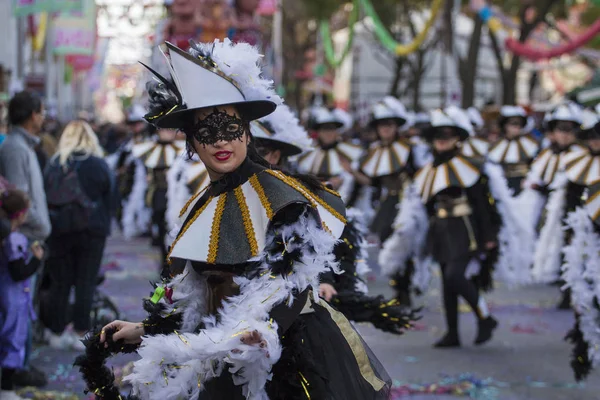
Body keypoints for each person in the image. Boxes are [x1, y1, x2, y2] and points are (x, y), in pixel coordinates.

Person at [77, 39, 391, 399]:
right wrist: (145, 329)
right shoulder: (200, 205)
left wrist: (263, 334)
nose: (219, 142)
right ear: (192, 144)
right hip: (214, 352)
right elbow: (194, 296)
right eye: (206, 133)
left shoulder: (283, 197)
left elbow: (291, 286)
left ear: (247, 131)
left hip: (283, 358)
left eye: (229, 128)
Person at [381, 107, 501, 348]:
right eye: (438, 135)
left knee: (455, 276)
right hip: (440, 229)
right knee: (447, 282)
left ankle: (485, 318)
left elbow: (483, 203)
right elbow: (423, 203)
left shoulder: (471, 166)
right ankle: (453, 333)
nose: (442, 139)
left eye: (448, 134)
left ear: (458, 137)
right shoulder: (428, 169)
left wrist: (489, 236)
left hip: (466, 228)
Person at [41, 120, 115, 350]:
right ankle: (81, 331)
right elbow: (112, 200)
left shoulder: (55, 164)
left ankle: (56, 330)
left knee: (60, 282)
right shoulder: (99, 165)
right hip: (92, 232)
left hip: (59, 231)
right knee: (86, 282)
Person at [0, 90, 50, 388]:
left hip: (29, 237)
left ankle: (19, 364)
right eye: (41, 112)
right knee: (17, 311)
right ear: (33, 114)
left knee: (23, 308)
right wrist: (33, 224)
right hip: (23, 241)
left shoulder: (23, 146)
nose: (43, 118)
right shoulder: (16, 149)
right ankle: (14, 368)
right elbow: (18, 199)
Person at [0, 189, 45, 400]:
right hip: (12, 297)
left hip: (9, 294)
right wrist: (36, 259)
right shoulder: (13, 239)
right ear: (20, 214)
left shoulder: (7, 236)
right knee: (12, 340)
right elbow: (19, 272)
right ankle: (6, 389)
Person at [131, 129, 185, 276]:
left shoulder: (182, 149)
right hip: (159, 197)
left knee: (176, 233)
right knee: (162, 233)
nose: (166, 133)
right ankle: (165, 266)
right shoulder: (147, 149)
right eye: (163, 129)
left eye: (169, 129)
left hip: (177, 198)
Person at [486, 106, 539, 195]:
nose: (517, 127)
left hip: (527, 189)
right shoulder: (495, 146)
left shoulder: (531, 144)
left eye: (519, 124)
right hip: (503, 189)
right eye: (513, 124)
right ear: (505, 125)